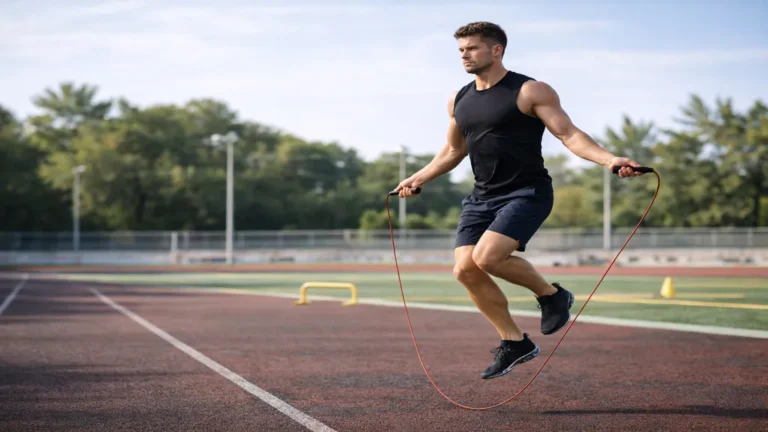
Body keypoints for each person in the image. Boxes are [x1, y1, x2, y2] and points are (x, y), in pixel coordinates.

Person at [394, 21, 647, 380]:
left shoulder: (530, 90)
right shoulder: (458, 99)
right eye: (461, 50)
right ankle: (515, 342)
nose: (464, 55)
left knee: (487, 257)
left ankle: (551, 295)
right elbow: (452, 151)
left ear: (496, 50)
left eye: (472, 48)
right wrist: (417, 178)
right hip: (482, 197)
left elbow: (569, 134)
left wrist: (609, 160)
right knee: (464, 269)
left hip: (526, 192)